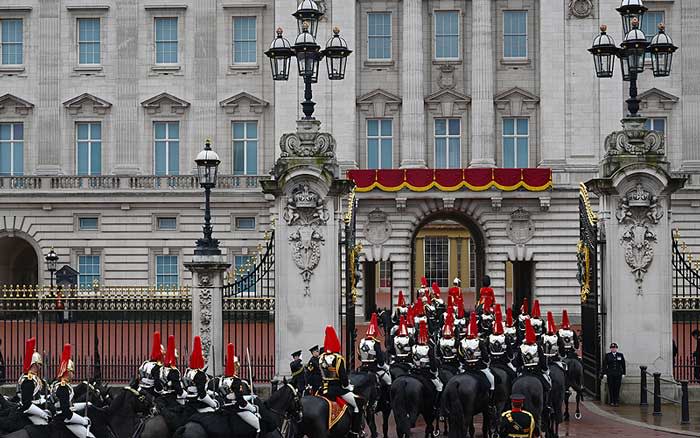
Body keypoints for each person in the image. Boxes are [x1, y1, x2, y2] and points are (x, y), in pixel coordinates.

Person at [320, 325, 361, 438]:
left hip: (323, 389)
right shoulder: (338, 358)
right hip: (336, 390)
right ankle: (355, 432)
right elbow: (342, 377)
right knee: (357, 405)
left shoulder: (321, 357)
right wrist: (347, 386)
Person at [51, 344, 94, 438]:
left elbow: (70, 406)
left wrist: (85, 405)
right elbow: (67, 412)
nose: (73, 375)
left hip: (64, 418)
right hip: (64, 420)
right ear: (68, 372)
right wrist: (83, 420)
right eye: (72, 372)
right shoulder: (63, 387)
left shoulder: (63, 386)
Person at [219, 343, 261, 433]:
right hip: (236, 409)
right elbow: (240, 401)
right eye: (237, 368)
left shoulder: (224, 380)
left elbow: (233, 396)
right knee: (258, 425)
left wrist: (250, 397)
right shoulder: (237, 381)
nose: (238, 370)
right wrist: (252, 408)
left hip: (225, 409)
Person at [458, 313, 495, 396]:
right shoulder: (479, 342)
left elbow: (460, 357)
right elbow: (485, 357)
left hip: (466, 367)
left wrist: (464, 363)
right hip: (479, 367)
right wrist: (487, 362)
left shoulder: (461, 342)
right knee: (491, 381)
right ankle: (491, 402)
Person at [513, 319, 551, 397]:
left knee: (513, 384)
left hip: (525, 372)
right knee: (547, 386)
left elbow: (518, 362)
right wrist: (545, 370)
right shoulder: (538, 347)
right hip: (537, 372)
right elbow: (543, 361)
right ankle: (546, 404)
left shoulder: (521, 348)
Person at [411, 320, 443, 414]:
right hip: (426, 373)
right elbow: (433, 363)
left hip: (415, 372)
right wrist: (434, 372)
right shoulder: (428, 348)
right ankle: (436, 406)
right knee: (440, 386)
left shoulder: (414, 347)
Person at [18, 337, 50, 427]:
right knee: (45, 428)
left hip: (35, 407)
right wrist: (43, 414)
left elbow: (36, 396)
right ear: (35, 364)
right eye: (39, 364)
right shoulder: (29, 380)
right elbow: (27, 403)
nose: (40, 366)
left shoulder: (35, 378)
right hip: (30, 411)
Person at [183, 336, 220, 413]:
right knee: (214, 411)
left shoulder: (188, 371)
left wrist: (212, 392)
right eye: (203, 356)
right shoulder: (200, 374)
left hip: (188, 401)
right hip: (198, 404)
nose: (204, 358)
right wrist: (214, 404)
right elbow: (202, 395)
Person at [358, 313, 392, 386]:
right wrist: (386, 367)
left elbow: (359, 356)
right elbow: (380, 361)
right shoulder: (375, 343)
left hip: (363, 368)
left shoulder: (361, 341)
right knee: (389, 381)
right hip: (374, 368)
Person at [138, 332, 165, 398]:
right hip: (150, 391)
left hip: (140, 389)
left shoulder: (145, 363)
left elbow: (139, 375)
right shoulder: (158, 366)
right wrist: (161, 391)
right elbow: (157, 383)